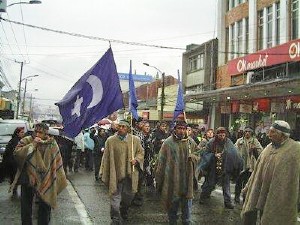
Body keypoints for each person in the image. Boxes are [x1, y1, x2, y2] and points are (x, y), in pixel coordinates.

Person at [241, 120, 300, 225]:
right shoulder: (268, 148)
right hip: (262, 192)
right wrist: (247, 186)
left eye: (272, 132)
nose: (269, 135)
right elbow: (257, 171)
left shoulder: (295, 150)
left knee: (275, 219)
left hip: (281, 196)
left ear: (282, 135)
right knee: (260, 216)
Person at [10, 123, 67, 225]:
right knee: (26, 207)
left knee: (45, 205)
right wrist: (32, 145)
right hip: (27, 178)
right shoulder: (26, 140)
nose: (37, 134)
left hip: (46, 178)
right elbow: (16, 154)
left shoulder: (52, 144)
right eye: (36, 132)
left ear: (46, 133)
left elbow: (57, 162)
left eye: (40, 132)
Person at [101, 120, 144, 225]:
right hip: (115, 174)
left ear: (128, 128)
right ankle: (115, 217)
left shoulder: (135, 140)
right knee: (115, 198)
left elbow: (141, 152)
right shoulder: (110, 141)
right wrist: (103, 171)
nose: (120, 128)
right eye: (119, 126)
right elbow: (106, 157)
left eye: (123, 127)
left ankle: (124, 211)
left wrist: (137, 160)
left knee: (128, 198)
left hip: (130, 174)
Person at [155, 121, 199, 225]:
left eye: (183, 129)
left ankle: (186, 220)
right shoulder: (168, 142)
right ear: (175, 129)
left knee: (187, 203)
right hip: (172, 178)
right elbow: (161, 160)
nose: (181, 131)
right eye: (179, 128)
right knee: (172, 202)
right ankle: (172, 221)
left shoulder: (190, 142)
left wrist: (193, 157)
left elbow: (198, 154)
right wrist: (159, 177)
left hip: (187, 178)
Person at [198, 127, 242, 209]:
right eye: (220, 135)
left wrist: (233, 160)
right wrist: (213, 155)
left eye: (223, 135)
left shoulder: (228, 142)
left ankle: (227, 202)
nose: (222, 137)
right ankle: (203, 197)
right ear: (217, 134)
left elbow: (234, 153)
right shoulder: (211, 142)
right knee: (209, 184)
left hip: (225, 167)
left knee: (226, 186)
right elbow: (205, 153)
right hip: (213, 167)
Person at [234, 126, 263, 204]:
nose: (247, 133)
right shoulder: (239, 141)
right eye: (246, 131)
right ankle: (236, 196)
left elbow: (261, 151)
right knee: (239, 182)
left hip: (250, 166)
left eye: (249, 132)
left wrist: (255, 149)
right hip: (241, 165)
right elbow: (234, 150)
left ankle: (245, 198)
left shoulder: (255, 141)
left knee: (247, 183)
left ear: (251, 133)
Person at [2, 127, 25, 197]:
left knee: (15, 177)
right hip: (13, 162)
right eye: (21, 132)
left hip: (13, 161)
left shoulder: (17, 140)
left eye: (23, 132)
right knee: (16, 176)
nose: (23, 134)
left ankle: (14, 190)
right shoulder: (15, 141)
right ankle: (14, 190)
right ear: (17, 133)